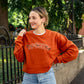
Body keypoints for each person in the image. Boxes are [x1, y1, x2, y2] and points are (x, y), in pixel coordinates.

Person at [14, 7, 79, 84]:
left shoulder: (55, 36)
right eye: (29, 18)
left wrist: (57, 59)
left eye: (34, 18)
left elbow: (74, 50)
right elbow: (19, 58)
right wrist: (19, 38)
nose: (30, 21)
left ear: (43, 19)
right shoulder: (26, 36)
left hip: (47, 76)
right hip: (29, 77)